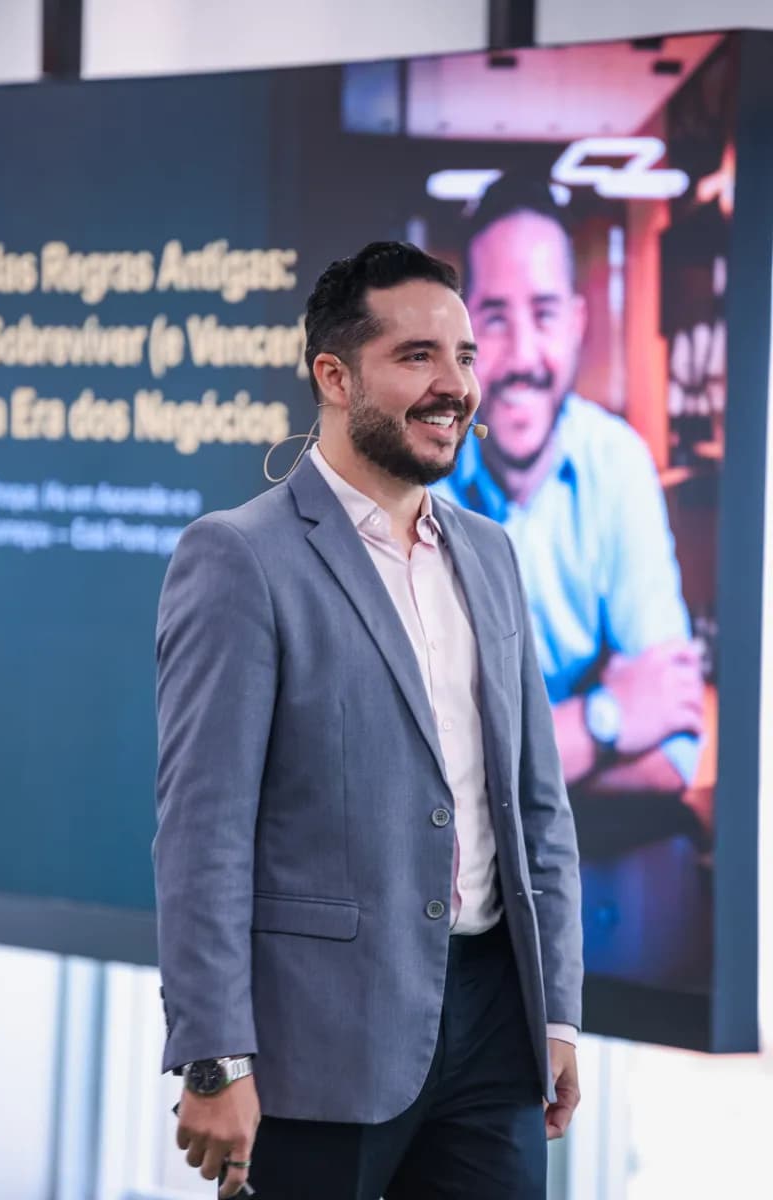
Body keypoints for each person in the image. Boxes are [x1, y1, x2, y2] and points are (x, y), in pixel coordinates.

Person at [154, 241, 582, 1200]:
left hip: (494, 1031)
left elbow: (537, 808)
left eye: (463, 356)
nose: (454, 386)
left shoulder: (492, 554)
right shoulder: (239, 558)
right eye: (417, 356)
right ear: (335, 376)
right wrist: (215, 1055)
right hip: (320, 1040)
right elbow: (202, 833)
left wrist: (555, 1013)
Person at [434, 178, 705, 794]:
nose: (523, 355)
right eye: (495, 318)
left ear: (578, 323)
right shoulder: (413, 482)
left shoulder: (619, 463)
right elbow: (416, 769)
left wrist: (495, 775)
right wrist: (604, 721)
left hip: (588, 853)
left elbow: (674, 754)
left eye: (545, 313)